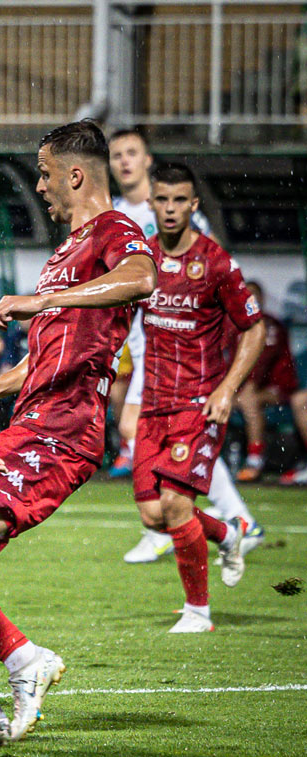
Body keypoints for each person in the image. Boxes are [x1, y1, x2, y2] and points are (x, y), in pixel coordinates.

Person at [0, 120, 157, 743]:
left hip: (65, 434)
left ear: (75, 175)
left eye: (46, 173)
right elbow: (42, 360)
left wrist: (46, 300)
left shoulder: (114, 232)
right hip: (29, 425)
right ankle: (18, 665)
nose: (42, 186)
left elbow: (142, 280)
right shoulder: (66, 253)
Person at [106, 129, 262, 562]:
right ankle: (216, 523)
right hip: (140, 338)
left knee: (162, 432)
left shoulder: (185, 224)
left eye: (131, 153)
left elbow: (205, 270)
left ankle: (223, 520)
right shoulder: (115, 214)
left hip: (182, 352)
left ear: (147, 159)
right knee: (140, 432)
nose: (123, 162)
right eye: (116, 155)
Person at [129, 163, 264, 632]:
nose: (170, 209)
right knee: (152, 514)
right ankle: (227, 534)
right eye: (162, 199)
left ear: (193, 205)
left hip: (198, 403)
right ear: (152, 202)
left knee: (176, 505)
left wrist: (227, 389)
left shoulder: (215, 262)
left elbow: (254, 327)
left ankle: (198, 612)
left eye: (179, 200)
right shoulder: (142, 259)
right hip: (152, 403)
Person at [236, 281, 307, 484]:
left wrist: (248, 384)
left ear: (262, 299)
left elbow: (262, 362)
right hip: (236, 391)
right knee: (202, 400)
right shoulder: (230, 323)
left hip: (273, 389)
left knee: (249, 398)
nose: (250, 300)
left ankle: (254, 460)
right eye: (246, 295)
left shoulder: (268, 325)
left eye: (255, 295)